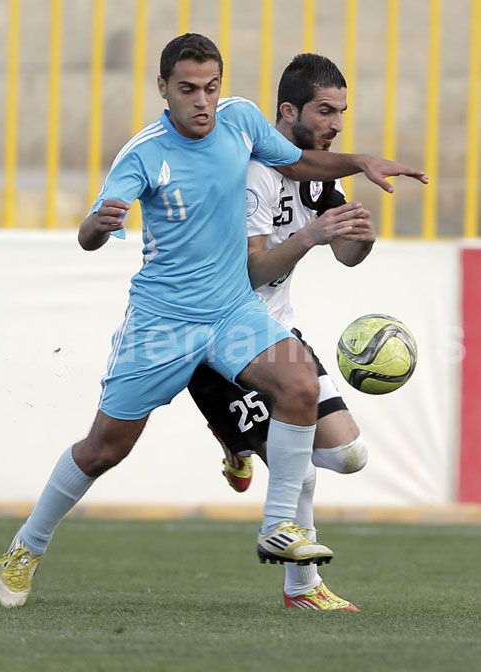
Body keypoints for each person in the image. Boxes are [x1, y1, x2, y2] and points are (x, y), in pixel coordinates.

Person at [0, 34, 427, 608]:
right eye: (188, 89)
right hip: (163, 323)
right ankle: (26, 545)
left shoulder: (241, 120)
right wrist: (97, 227)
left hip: (232, 312)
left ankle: (282, 527)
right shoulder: (143, 154)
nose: (202, 101)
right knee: (103, 450)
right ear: (163, 88)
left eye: (211, 87)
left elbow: (298, 162)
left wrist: (360, 161)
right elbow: (89, 235)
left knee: (300, 384)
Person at [187, 53, 377, 611]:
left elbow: (345, 256)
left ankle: (234, 438)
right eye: (325, 111)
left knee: (348, 455)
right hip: (223, 334)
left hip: (279, 330)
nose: (336, 124)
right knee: (300, 475)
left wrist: (359, 238)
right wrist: (310, 237)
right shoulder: (255, 173)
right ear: (288, 111)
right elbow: (251, 271)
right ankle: (303, 589)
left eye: (341, 112)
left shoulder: (317, 175)